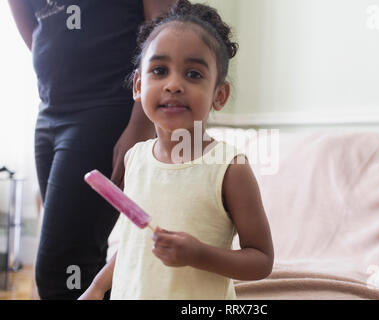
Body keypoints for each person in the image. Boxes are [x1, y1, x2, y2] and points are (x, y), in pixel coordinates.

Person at [79, 0, 274, 300]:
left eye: (193, 74)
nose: (173, 84)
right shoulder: (136, 159)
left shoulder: (229, 168)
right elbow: (137, 243)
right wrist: (97, 287)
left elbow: (261, 260)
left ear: (219, 95)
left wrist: (199, 254)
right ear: (138, 86)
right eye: (159, 70)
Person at [7, 0, 176, 299]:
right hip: (50, 112)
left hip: (105, 110)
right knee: (82, 264)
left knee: (59, 268)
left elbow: (162, 29)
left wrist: (140, 123)